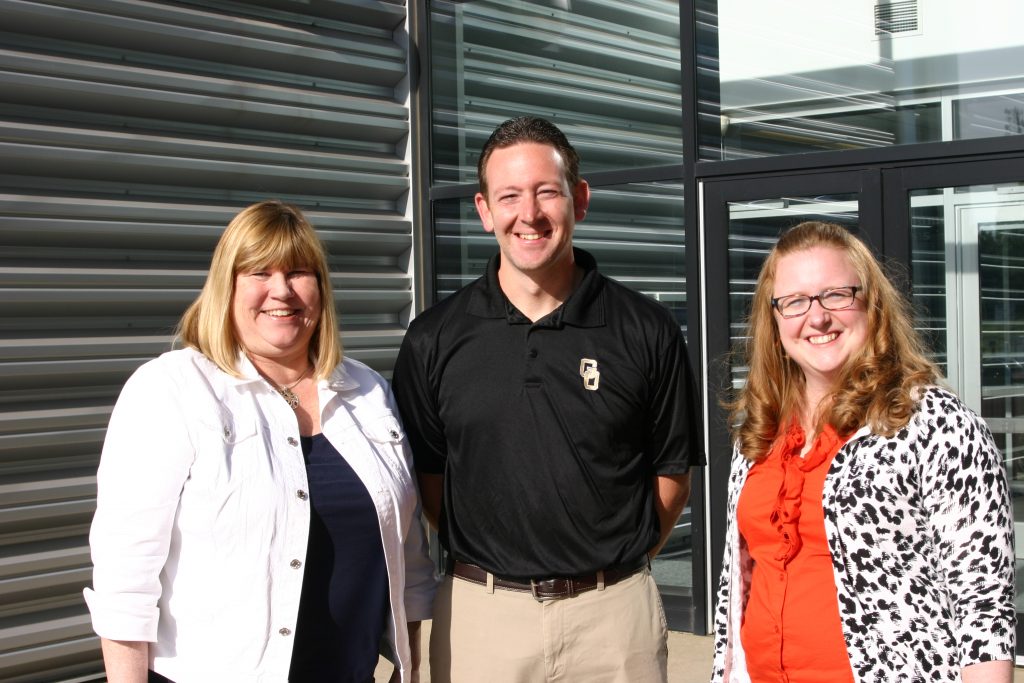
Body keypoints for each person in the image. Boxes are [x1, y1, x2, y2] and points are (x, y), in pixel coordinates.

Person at [391, 116, 704, 683]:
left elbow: (671, 474)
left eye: (546, 192)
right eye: (509, 196)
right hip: (480, 619)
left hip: (614, 620)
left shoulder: (648, 330)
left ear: (579, 200)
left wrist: (604, 567)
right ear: (485, 211)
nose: (528, 214)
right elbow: (431, 482)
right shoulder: (433, 338)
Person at [84, 200, 436, 682]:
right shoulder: (174, 389)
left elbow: (409, 555)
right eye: (258, 272)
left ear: (321, 288)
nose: (281, 291)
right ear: (226, 286)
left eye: (298, 272)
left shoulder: (369, 392)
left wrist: (411, 665)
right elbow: (126, 581)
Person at [711, 221, 1015, 683]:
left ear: (871, 304)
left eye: (836, 294)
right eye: (794, 302)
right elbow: (738, 588)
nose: (817, 317)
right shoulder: (757, 432)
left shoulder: (936, 424)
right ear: (774, 325)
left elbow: (983, 605)